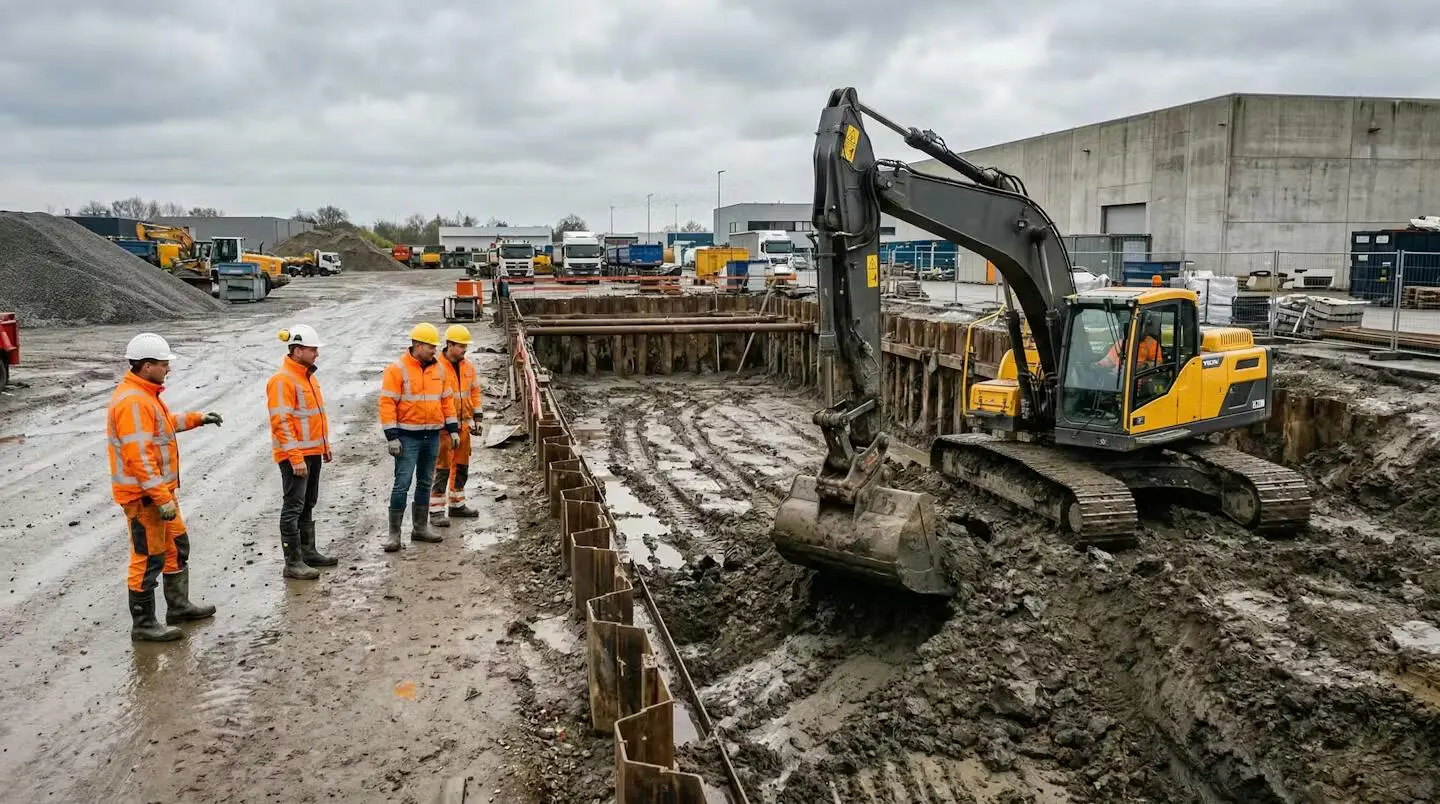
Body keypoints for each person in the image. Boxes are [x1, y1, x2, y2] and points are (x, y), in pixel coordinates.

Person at [106, 333, 223, 642]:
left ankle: (178, 607)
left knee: (176, 546)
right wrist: (161, 498)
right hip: (145, 498)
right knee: (148, 558)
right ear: (147, 366)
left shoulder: (145, 395)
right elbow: (139, 457)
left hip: (160, 494)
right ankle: (144, 624)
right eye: (163, 364)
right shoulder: (133, 401)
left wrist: (198, 418)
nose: (168, 368)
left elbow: (164, 424)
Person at [379, 322, 460, 552]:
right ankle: (394, 534)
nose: (435, 350)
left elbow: (446, 401)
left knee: (425, 482)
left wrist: (453, 429)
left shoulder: (439, 370)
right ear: (417, 345)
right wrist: (392, 436)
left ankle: (420, 528)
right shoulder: (397, 369)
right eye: (430, 346)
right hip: (407, 437)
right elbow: (387, 403)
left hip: (432, 436)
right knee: (402, 484)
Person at [266, 324, 336, 580]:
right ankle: (293, 562)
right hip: (295, 456)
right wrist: (295, 458)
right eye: (312, 349)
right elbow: (281, 423)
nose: (317, 353)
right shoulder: (282, 380)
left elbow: (313, 416)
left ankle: (308, 552)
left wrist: (324, 447)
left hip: (312, 452)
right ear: (297, 350)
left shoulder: (306, 376)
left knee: (308, 502)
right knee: (293, 506)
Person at [429, 324, 483, 528]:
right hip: (443, 428)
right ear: (449, 345)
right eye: (461, 346)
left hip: (463, 426)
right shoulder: (437, 367)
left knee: (461, 467)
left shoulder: (468, 367)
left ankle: (457, 505)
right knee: (441, 468)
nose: (464, 350)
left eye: (465, 346)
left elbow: (474, 393)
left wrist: (477, 418)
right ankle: (436, 511)